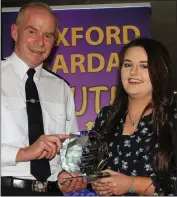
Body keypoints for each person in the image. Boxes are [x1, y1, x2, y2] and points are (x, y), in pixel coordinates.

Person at [1, 2, 86, 196]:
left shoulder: (61, 88)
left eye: (48, 36)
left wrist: (67, 174)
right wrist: (24, 153)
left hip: (51, 191)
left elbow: (69, 149)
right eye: (32, 32)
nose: (40, 42)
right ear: (14, 32)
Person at [90, 37, 177, 196]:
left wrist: (131, 184)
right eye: (128, 64)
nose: (133, 72)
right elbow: (90, 169)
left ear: (160, 71)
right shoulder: (106, 116)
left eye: (144, 66)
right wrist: (95, 182)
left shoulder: (172, 118)